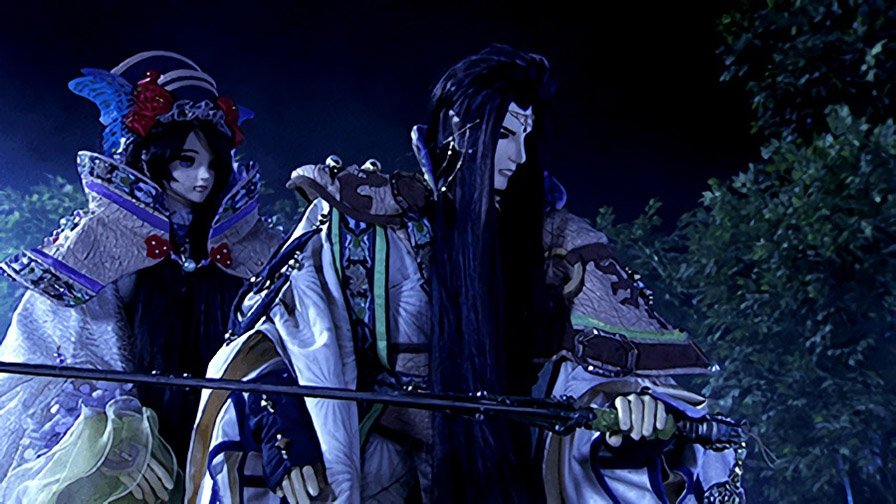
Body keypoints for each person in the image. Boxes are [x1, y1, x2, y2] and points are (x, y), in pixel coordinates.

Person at [188, 45, 745, 503]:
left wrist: (629, 413)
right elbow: (275, 335)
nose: (518, 155)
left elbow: (604, 376)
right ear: (456, 128)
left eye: (527, 136)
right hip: (383, 467)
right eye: (504, 133)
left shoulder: (557, 245)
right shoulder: (364, 223)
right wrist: (283, 420)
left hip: (514, 467)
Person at [0, 51, 281, 502]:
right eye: (186, 160)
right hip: (138, 444)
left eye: (213, 162)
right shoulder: (100, 241)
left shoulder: (250, 244)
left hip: (224, 434)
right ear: (150, 157)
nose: (204, 176)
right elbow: (63, 349)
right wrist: (113, 436)